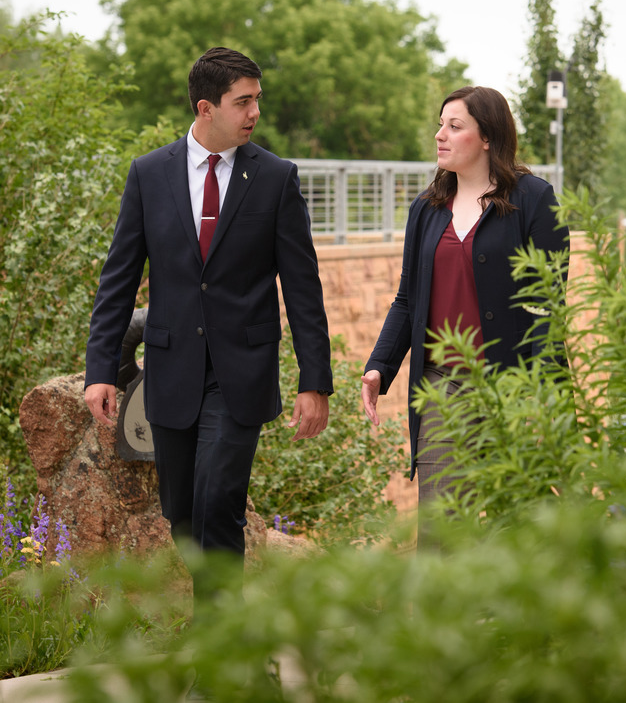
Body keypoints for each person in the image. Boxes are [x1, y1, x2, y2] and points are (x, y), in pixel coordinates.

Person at [84, 47, 333, 590]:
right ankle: (238, 645)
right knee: (183, 516)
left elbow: (303, 287)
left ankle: (216, 665)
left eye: (257, 101)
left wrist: (315, 382)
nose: (254, 114)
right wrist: (100, 369)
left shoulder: (275, 178)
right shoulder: (150, 175)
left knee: (219, 501)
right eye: (242, 102)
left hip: (240, 373)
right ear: (205, 108)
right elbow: (119, 278)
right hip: (172, 373)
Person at [361, 85, 569, 535]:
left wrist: (543, 398)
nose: (441, 135)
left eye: (455, 127)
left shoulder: (533, 199)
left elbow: (546, 308)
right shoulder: (426, 209)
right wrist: (380, 366)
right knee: (440, 528)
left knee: (514, 524)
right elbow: (407, 300)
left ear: (488, 137)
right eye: (440, 124)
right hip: (442, 387)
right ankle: (441, 608)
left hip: (512, 384)